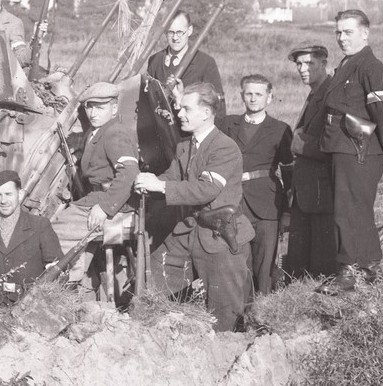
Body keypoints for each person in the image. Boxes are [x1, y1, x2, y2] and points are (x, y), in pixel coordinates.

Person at [135, 83, 254, 332]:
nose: (179, 114)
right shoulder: (185, 146)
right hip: (189, 231)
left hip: (220, 237)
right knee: (154, 278)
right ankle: (161, 332)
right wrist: (148, 184)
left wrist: (160, 186)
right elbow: (172, 177)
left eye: (186, 109)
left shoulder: (224, 147)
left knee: (225, 314)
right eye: (180, 108)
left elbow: (206, 189)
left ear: (206, 112)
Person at [318, 10, 383, 294]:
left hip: (358, 150)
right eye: (338, 32)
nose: (341, 38)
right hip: (343, 147)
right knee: (350, 209)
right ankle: (365, 268)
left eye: (348, 32)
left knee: (351, 209)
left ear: (365, 33)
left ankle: (351, 271)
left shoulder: (372, 68)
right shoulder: (348, 64)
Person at [49, 81, 138, 290]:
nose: (93, 113)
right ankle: (74, 283)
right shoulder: (96, 132)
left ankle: (62, 285)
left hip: (116, 205)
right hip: (98, 198)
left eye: (100, 108)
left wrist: (105, 208)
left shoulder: (115, 133)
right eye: (89, 107)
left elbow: (129, 173)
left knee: (54, 232)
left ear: (114, 109)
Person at [217, 74, 293, 296]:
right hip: (234, 202)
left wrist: (287, 212)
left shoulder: (280, 129)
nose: (253, 98)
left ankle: (263, 309)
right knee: (238, 261)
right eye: (249, 93)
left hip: (267, 205)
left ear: (269, 97)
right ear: (242, 95)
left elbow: (289, 172)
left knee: (264, 265)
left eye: (259, 94)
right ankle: (239, 310)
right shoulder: (227, 124)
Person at [0, 170, 63, 305]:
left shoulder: (40, 226)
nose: (3, 201)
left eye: (8, 194)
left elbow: (57, 268)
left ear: (19, 194)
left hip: (31, 303)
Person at [285, 43, 336, 280]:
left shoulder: (330, 94)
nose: (303, 69)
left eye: (309, 63)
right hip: (306, 191)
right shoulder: (315, 93)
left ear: (324, 64)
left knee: (321, 263)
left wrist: (298, 143)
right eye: (299, 64)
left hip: (322, 191)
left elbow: (334, 144)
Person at [146, 11, 225, 116]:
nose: (175, 38)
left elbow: (218, 108)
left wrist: (182, 97)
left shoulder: (206, 62)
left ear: (189, 31)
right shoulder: (155, 60)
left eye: (179, 32)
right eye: (170, 32)